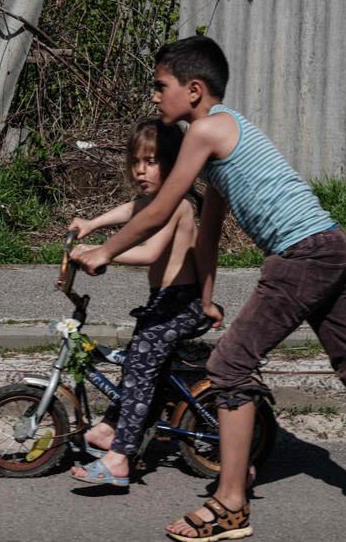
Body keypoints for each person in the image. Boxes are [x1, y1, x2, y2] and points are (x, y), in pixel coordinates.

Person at [71, 36, 346, 539]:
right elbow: (209, 234)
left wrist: (104, 251)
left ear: (194, 89)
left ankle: (229, 503)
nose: (155, 97)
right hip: (328, 245)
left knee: (228, 367)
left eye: (161, 86)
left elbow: (158, 211)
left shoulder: (205, 131)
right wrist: (204, 296)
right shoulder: (227, 133)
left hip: (303, 255)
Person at [67, 118, 206, 487]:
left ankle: (120, 459)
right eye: (136, 162)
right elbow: (133, 210)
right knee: (137, 366)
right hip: (162, 302)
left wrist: (102, 254)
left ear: (175, 164)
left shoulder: (179, 205)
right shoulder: (159, 200)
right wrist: (91, 224)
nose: (141, 170)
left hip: (179, 303)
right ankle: (109, 428)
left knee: (141, 369)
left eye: (152, 161)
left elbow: (149, 251)